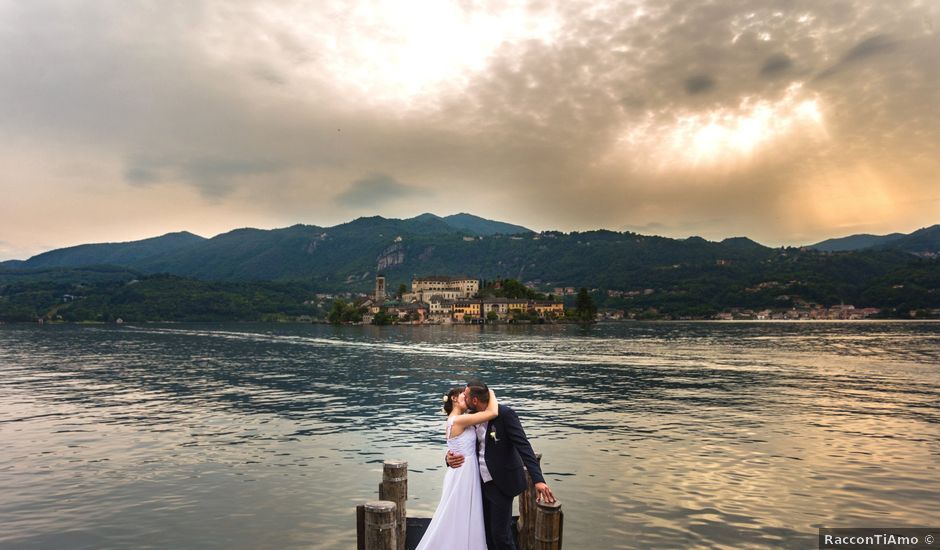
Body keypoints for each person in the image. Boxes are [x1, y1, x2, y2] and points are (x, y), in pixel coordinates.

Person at [447, 379, 555, 550]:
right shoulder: (468, 416)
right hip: (477, 484)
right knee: (484, 533)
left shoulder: (505, 414)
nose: (463, 399)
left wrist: (538, 480)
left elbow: (523, 446)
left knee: (501, 535)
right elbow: (458, 444)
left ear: (475, 400)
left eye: (466, 396)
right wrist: (448, 459)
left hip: (501, 482)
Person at [415, 386, 499, 550]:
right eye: (463, 396)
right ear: (454, 398)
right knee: (457, 513)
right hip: (463, 474)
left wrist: (448, 457)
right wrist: (491, 393)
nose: (467, 399)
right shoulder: (457, 420)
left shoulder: (461, 418)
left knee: (460, 514)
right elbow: (493, 413)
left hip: (463, 471)